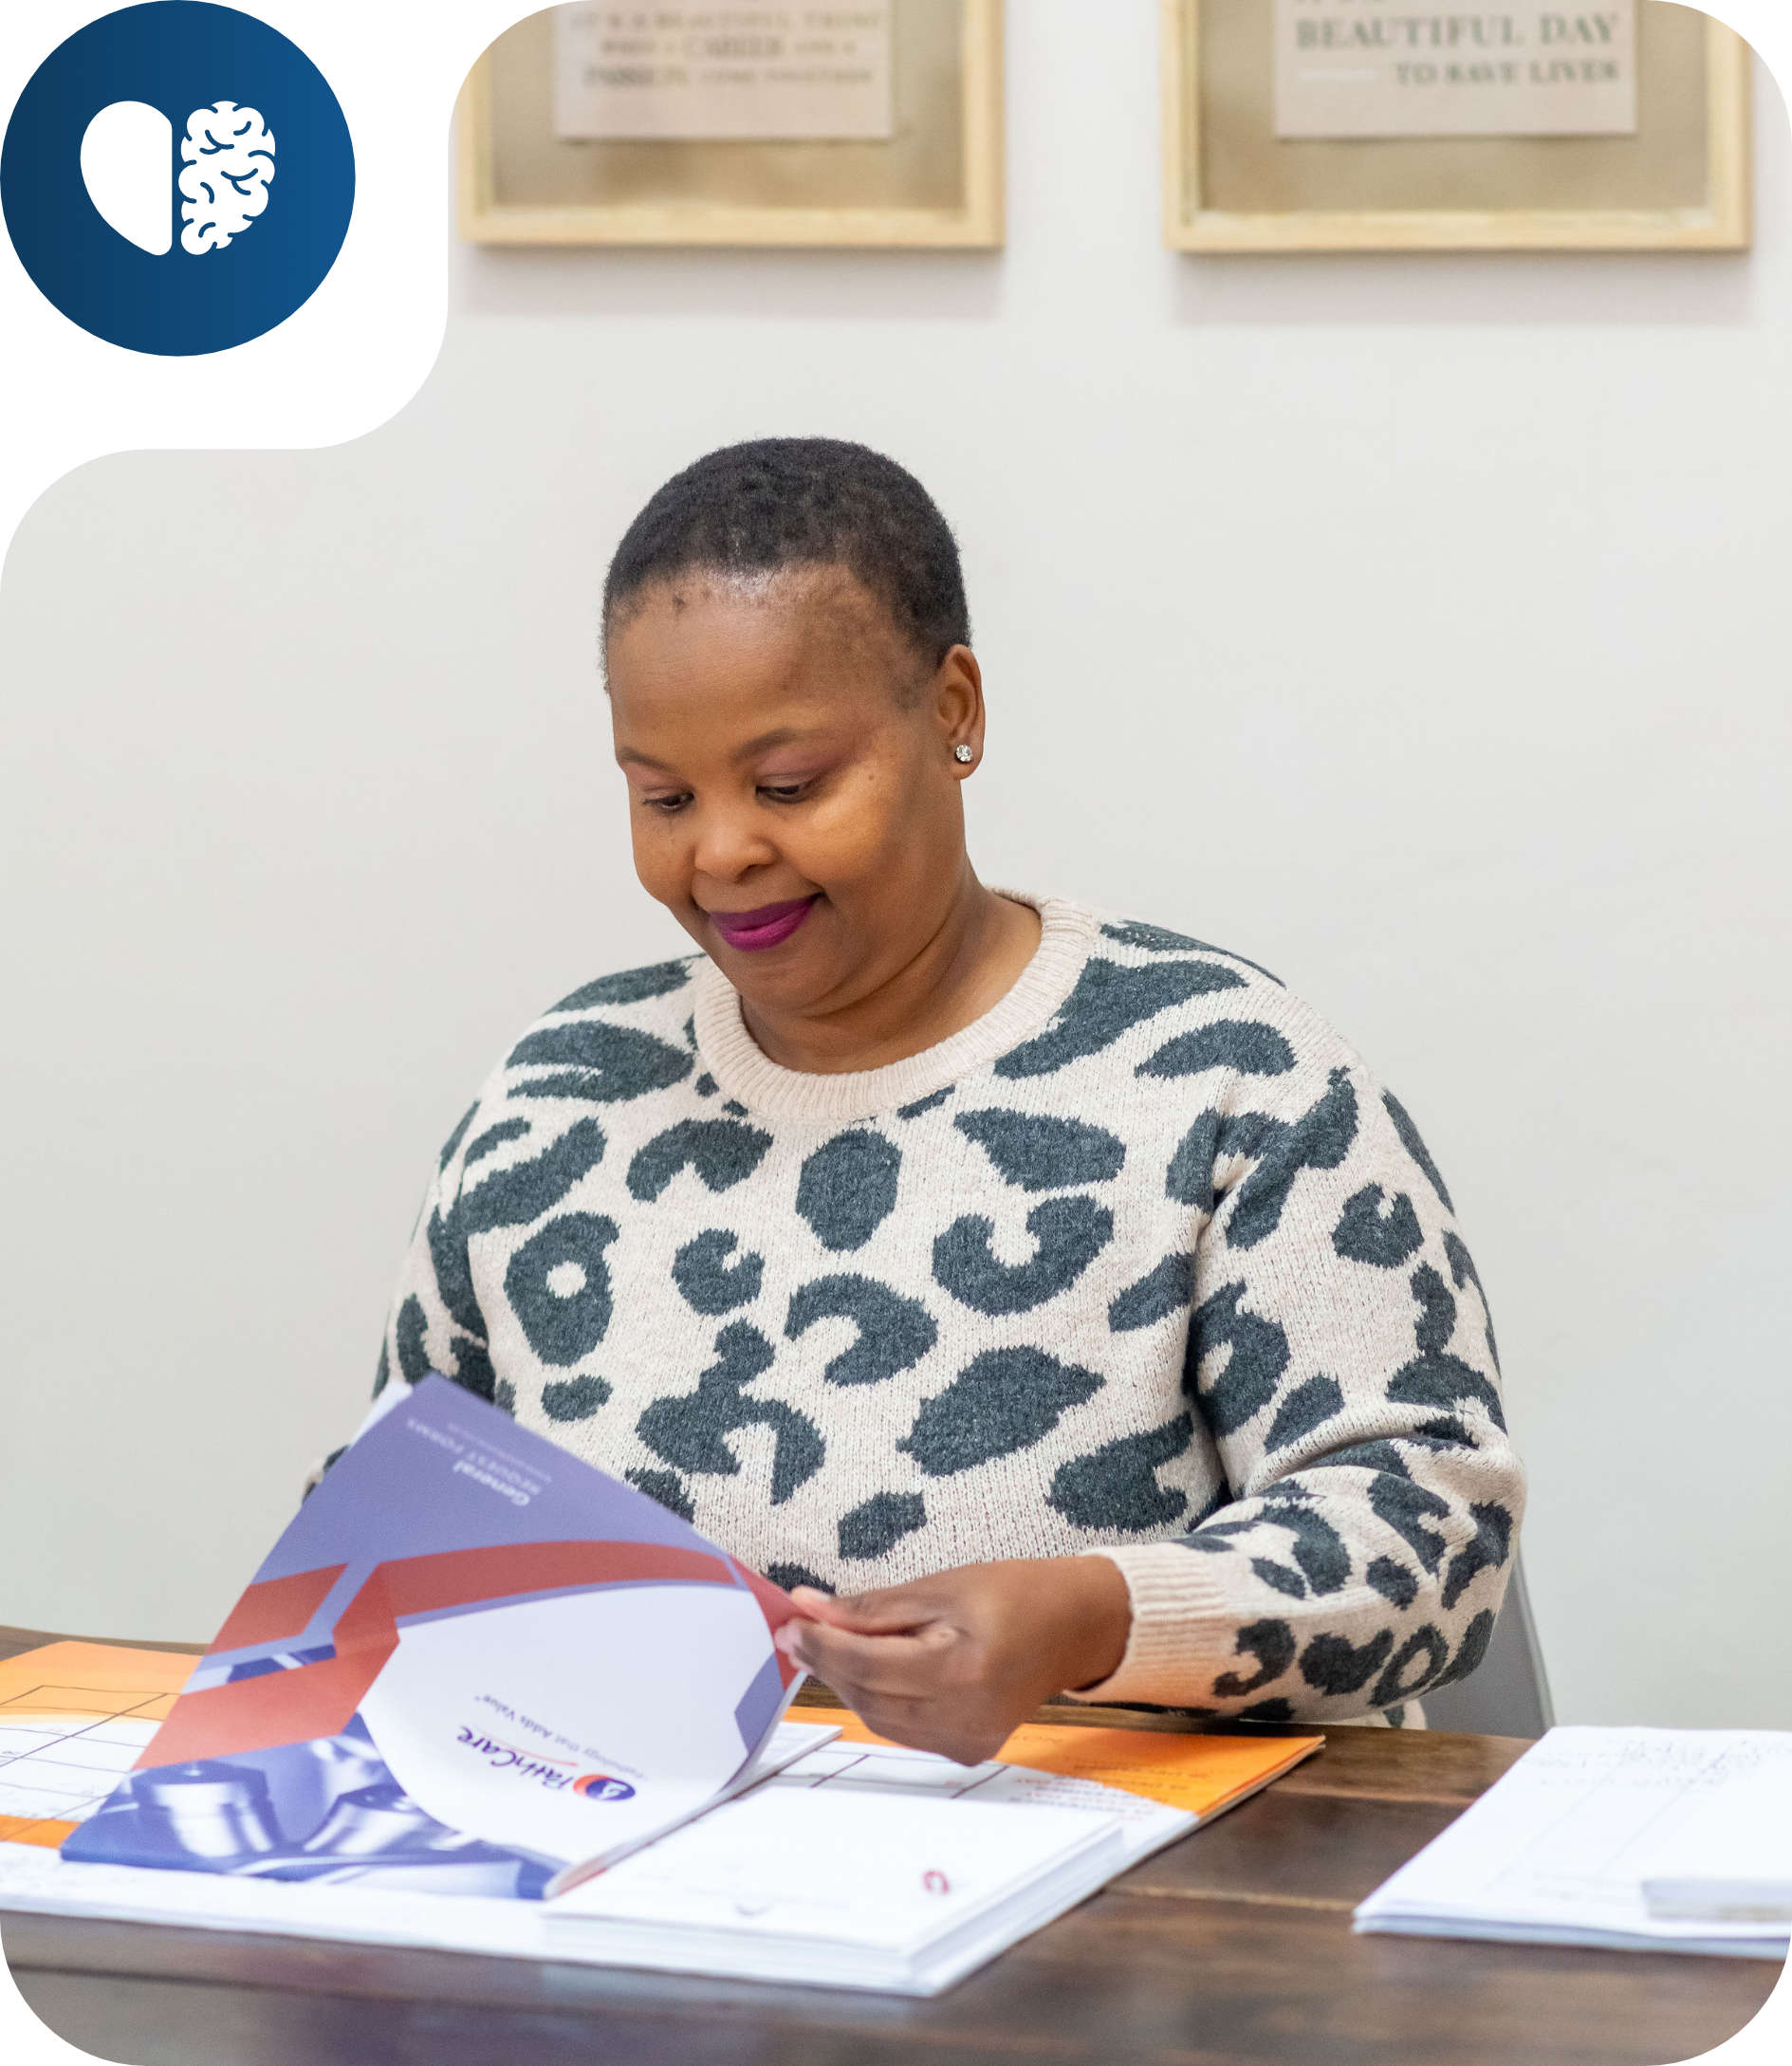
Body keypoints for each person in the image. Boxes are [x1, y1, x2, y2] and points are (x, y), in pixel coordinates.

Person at [365, 437, 1524, 1763]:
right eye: (662, 795)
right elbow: (389, 1520)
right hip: (632, 1890)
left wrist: (1089, 1616)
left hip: (1140, 1889)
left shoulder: (1220, 1074)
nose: (722, 849)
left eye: (788, 783)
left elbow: (1430, 1526)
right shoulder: (558, 1097)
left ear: (952, 712)